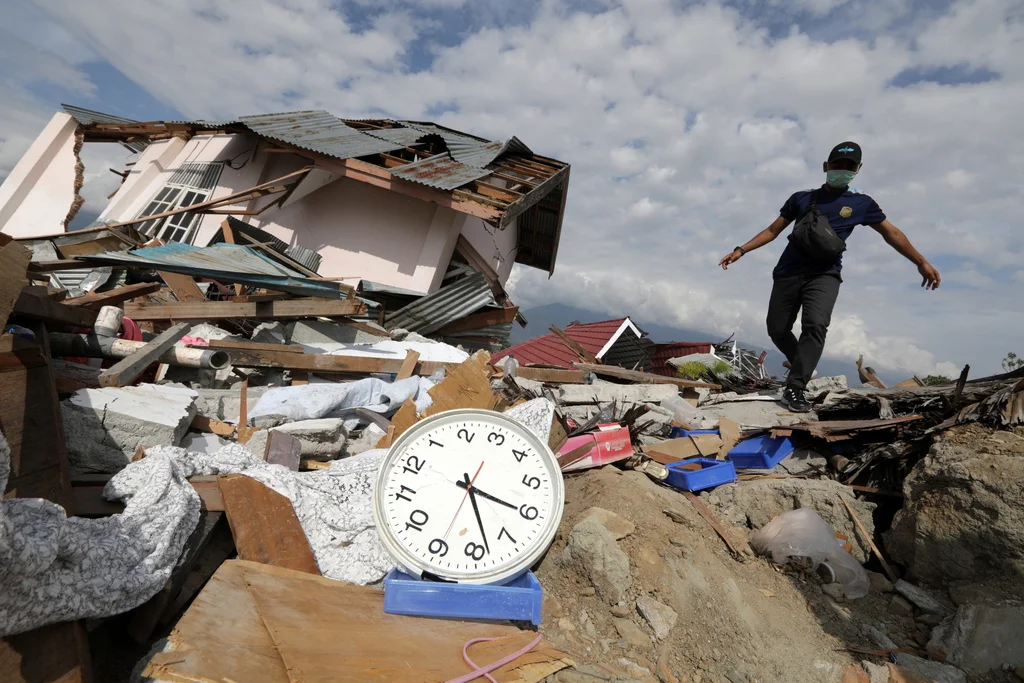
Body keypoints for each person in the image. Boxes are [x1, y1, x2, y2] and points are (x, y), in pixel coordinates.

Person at [718, 141, 941, 412]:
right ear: (826, 166)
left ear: (858, 169)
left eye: (849, 166)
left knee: (815, 324)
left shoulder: (861, 203)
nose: (842, 169)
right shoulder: (801, 198)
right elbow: (772, 230)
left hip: (825, 275)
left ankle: (796, 387)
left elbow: (891, 233)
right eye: (837, 164)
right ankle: (803, 365)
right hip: (788, 272)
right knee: (777, 329)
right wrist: (741, 250)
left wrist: (921, 261)